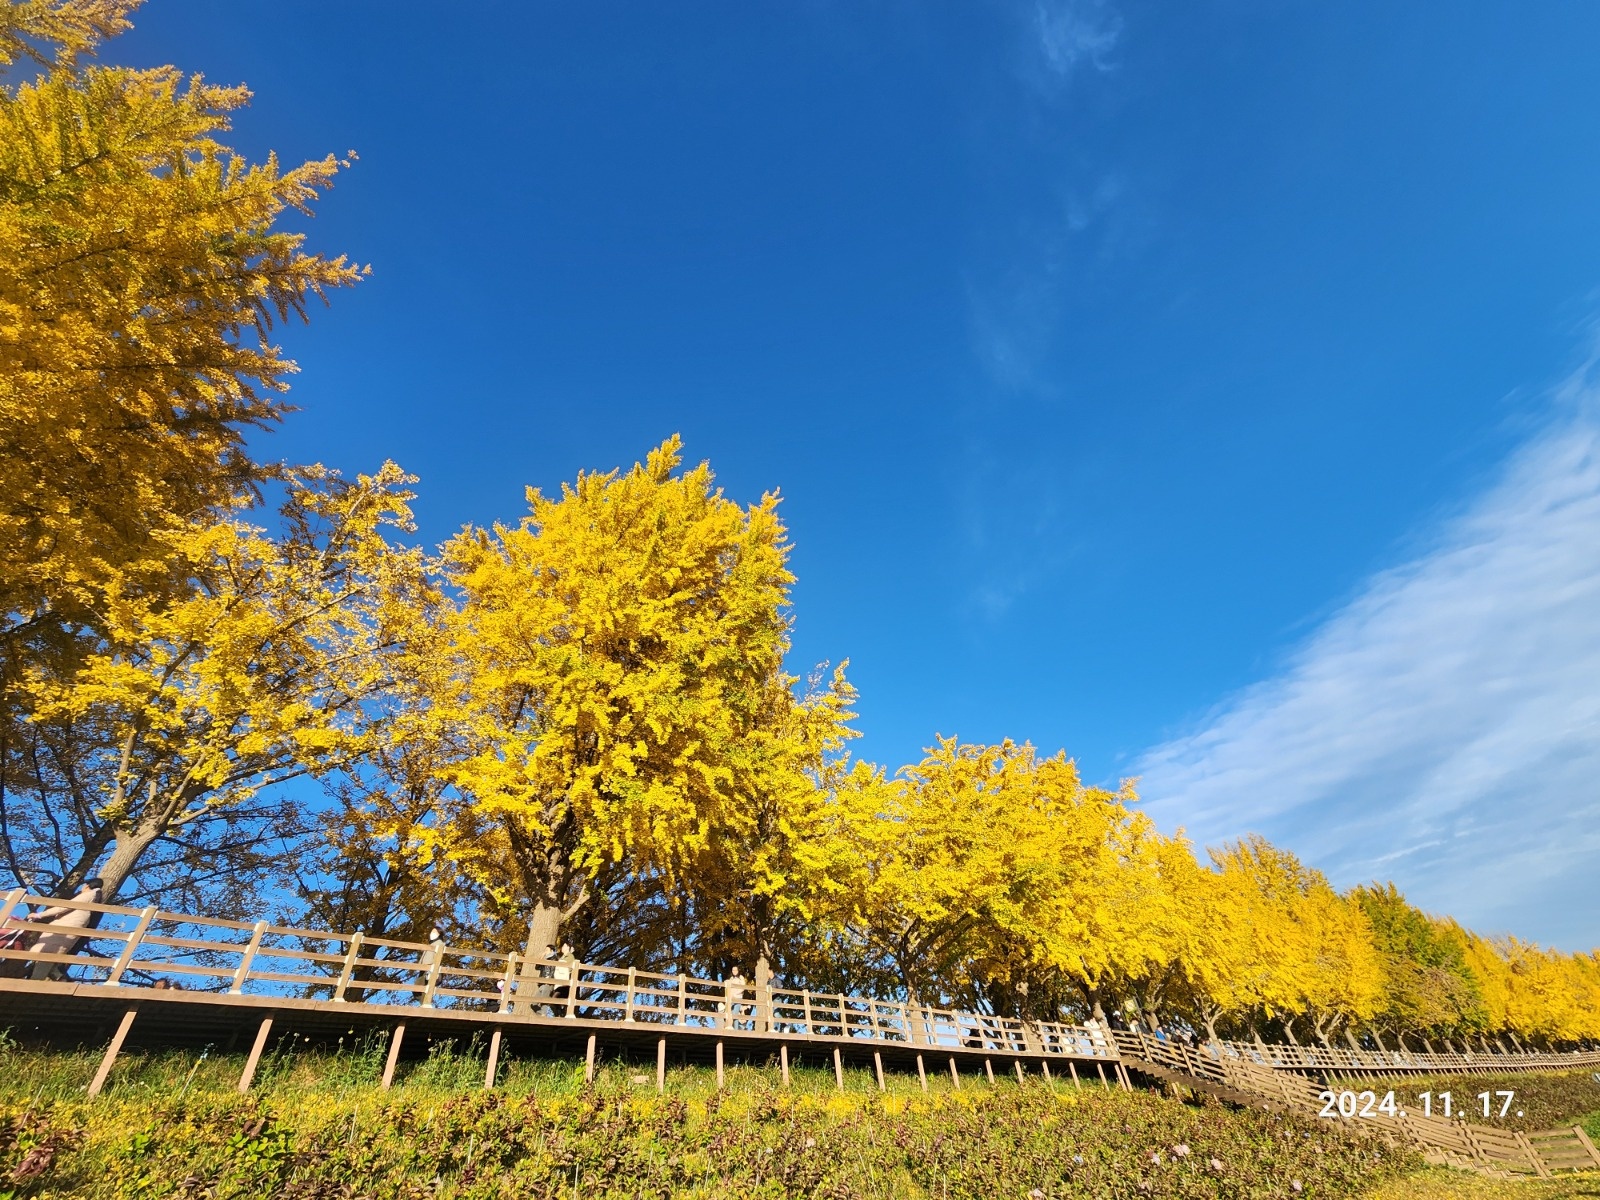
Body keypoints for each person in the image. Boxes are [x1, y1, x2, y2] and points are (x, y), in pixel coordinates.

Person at [27, 878, 104, 981]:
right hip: (66, 933)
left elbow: (64, 907)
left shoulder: (88, 895)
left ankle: (34, 983)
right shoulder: (92, 901)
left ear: (87, 886)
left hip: (60, 933)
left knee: (45, 956)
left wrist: (39, 915)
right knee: (49, 959)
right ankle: (60, 979)